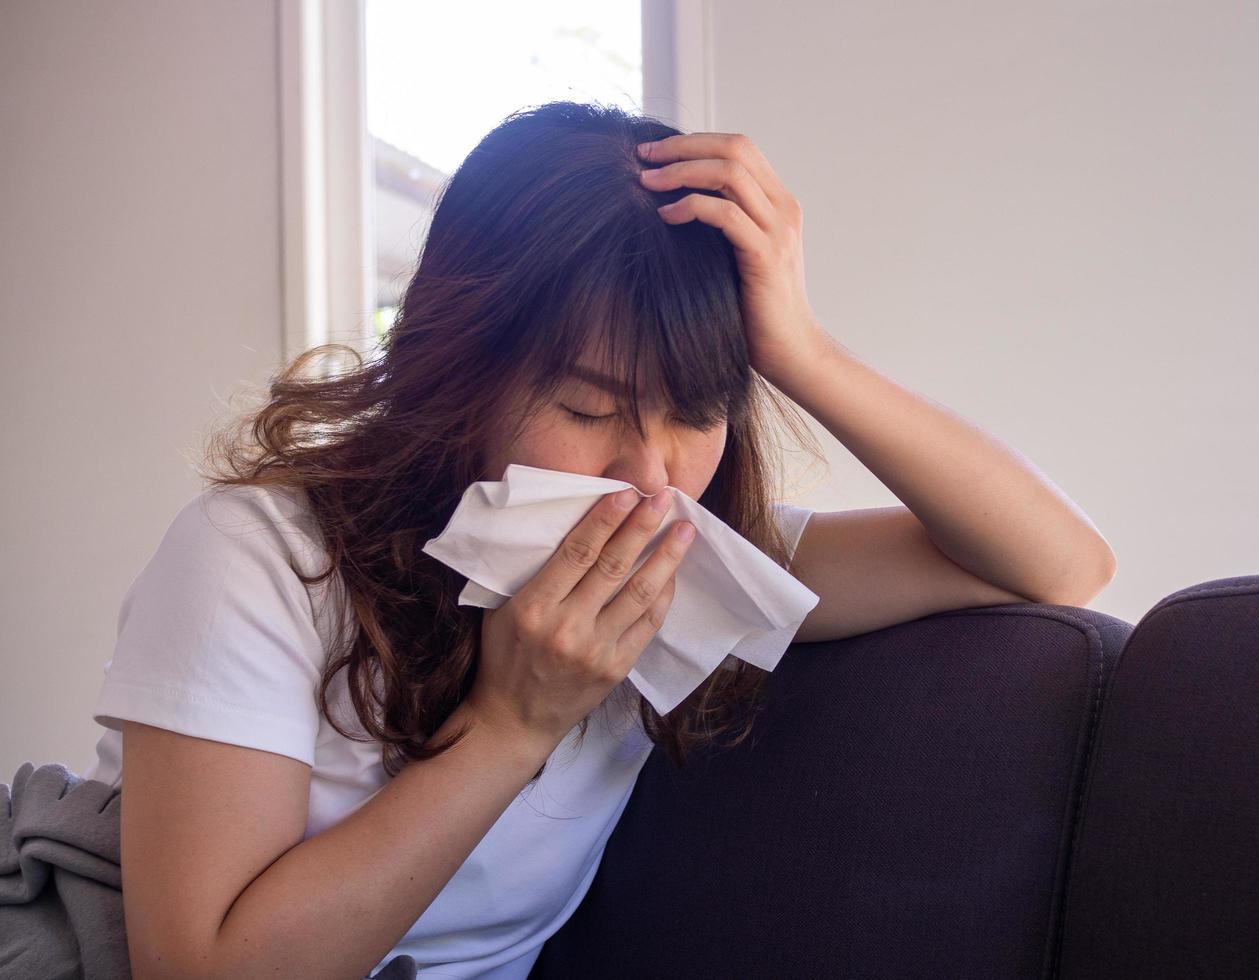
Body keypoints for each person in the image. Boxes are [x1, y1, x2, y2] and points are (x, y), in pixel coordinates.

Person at [83, 100, 1116, 980]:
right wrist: (510, 727)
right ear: (458, 376)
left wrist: (795, 344)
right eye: (587, 409)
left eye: (695, 413)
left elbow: (1058, 563)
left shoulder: (685, 563)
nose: (650, 476)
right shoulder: (258, 557)